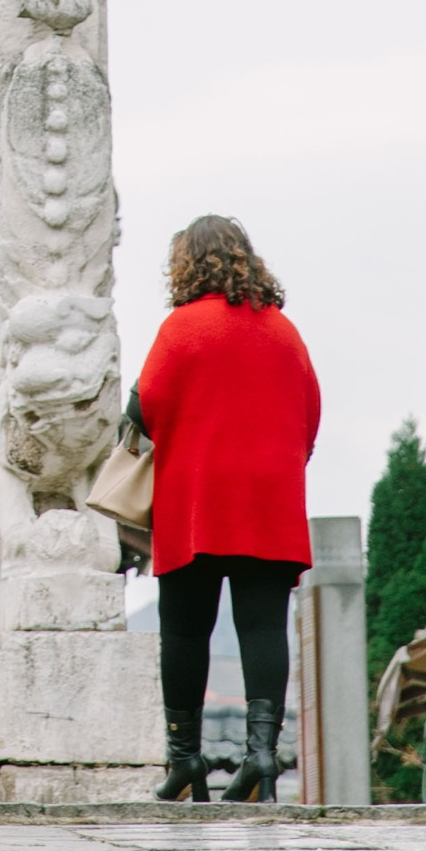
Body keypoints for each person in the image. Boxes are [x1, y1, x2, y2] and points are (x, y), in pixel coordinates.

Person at [138, 215, 320, 805]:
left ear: (186, 264)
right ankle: (262, 757)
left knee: (185, 629)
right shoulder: (284, 331)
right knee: (264, 626)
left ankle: (185, 759)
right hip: (269, 493)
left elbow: (150, 407)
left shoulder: (181, 327)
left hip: (196, 494)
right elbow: (309, 412)